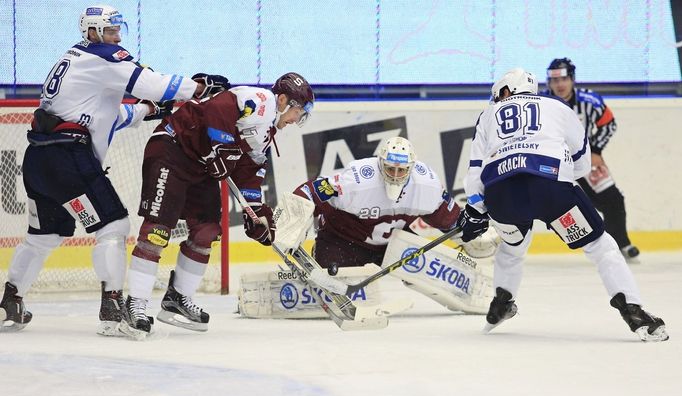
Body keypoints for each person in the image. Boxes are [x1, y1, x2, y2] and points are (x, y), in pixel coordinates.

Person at [0, 4, 229, 334]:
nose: (116, 35)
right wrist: (198, 88)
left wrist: (146, 110)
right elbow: (151, 82)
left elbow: (103, 116)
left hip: (39, 159)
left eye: (117, 28)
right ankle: (112, 307)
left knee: (43, 236)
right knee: (114, 226)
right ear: (92, 32)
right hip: (69, 159)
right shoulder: (106, 56)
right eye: (109, 29)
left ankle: (11, 300)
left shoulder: (74, 58)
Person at [458, 67, 668, 342]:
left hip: (502, 194)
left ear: (507, 90)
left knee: (511, 247)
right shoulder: (556, 106)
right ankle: (634, 312)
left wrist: (475, 209)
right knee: (601, 247)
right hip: (552, 189)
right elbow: (583, 162)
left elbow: (475, 171)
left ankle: (501, 302)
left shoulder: (487, 115)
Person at [119, 72, 314, 338]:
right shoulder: (260, 100)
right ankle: (136, 304)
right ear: (282, 100)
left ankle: (178, 297)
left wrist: (255, 213)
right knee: (157, 231)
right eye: (298, 112)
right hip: (172, 150)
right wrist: (221, 145)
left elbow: (249, 173)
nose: (296, 120)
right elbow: (216, 108)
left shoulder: (266, 134)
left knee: (207, 231)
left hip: (200, 167)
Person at [291, 137, 483, 311]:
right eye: (391, 168)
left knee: (428, 267)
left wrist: (471, 234)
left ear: (411, 168)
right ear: (380, 164)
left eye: (402, 170)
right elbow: (310, 191)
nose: (396, 175)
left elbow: (451, 221)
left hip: (395, 245)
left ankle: (461, 295)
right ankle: (322, 256)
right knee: (329, 282)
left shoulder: (427, 186)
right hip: (344, 240)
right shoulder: (358, 180)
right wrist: (293, 224)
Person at [546, 58, 639, 260]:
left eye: (564, 79)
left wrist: (595, 150)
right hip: (553, 165)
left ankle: (620, 243)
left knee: (614, 200)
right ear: (549, 83)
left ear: (572, 79)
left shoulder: (590, 101)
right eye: (555, 81)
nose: (559, 85)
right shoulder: (542, 104)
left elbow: (609, 124)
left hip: (585, 161)